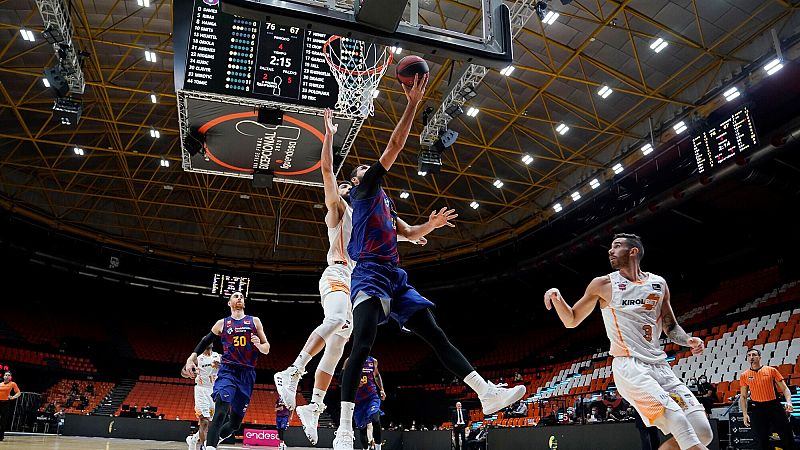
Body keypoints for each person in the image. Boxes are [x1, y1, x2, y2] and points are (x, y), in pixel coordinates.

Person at [332, 73, 525, 449]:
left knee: (435, 334)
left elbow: (408, 233)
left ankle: (486, 393)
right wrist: (412, 104)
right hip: (368, 272)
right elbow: (393, 146)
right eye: (362, 169)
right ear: (357, 181)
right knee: (364, 343)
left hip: (394, 275)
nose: (370, 169)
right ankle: (341, 427)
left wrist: (430, 226)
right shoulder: (366, 189)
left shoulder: (384, 200)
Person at [544, 233, 713, 450]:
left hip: (660, 366)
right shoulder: (603, 284)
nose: (610, 251)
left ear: (633, 251)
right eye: (610, 247)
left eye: (616, 246)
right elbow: (572, 320)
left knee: (702, 431)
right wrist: (558, 298)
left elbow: (670, 326)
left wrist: (688, 340)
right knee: (678, 421)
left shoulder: (658, 284)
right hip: (630, 366)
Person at [273, 108, 356, 446]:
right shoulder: (339, 209)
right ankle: (292, 370)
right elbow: (326, 171)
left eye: (351, 186)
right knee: (335, 318)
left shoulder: (366, 220)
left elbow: (397, 234)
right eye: (346, 185)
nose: (348, 189)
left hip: (354, 283)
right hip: (335, 272)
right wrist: (330, 137)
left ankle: (315, 406)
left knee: (337, 347)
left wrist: (418, 233)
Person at [182, 291, 271, 450]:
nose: (239, 298)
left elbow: (266, 348)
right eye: (236, 296)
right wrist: (191, 358)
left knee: (234, 424)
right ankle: (209, 447)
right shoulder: (222, 323)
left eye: (242, 297)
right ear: (229, 303)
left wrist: (259, 345)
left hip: (247, 374)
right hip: (228, 371)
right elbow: (205, 340)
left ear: (244, 303)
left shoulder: (254, 321)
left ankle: (212, 440)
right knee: (221, 411)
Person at [739, 348, 794, 450]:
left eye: (754, 355)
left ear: (759, 357)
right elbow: (743, 396)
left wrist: (789, 402)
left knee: (787, 436)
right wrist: (745, 414)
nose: (751, 357)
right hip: (758, 408)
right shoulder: (744, 375)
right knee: (761, 440)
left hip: (774, 406)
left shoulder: (771, 370)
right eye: (749, 355)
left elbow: (785, 389)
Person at [344, 356, 385, 450]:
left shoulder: (373, 361)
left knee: (376, 419)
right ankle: (365, 448)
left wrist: (382, 390)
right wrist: (354, 383)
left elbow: (377, 375)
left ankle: (378, 448)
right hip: (357, 400)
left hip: (371, 396)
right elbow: (343, 380)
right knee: (362, 429)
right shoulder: (349, 360)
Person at [186, 343, 221, 450]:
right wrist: (191, 372)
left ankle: (193, 439)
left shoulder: (219, 357)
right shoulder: (197, 359)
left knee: (211, 423)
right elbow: (183, 372)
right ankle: (203, 447)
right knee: (204, 421)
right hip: (201, 390)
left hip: (215, 390)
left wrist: (221, 366)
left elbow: (229, 368)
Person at [0, 371, 21, 441]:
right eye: (6, 375)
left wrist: (13, 397)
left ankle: (1, 436)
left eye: (9, 375)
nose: (7, 376)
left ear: (10, 377)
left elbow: (18, 393)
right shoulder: (0, 384)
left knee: (3, 420)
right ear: (3, 376)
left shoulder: (12, 384)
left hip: (5, 403)